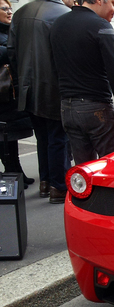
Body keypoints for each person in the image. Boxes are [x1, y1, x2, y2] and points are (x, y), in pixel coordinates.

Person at [50, 0, 114, 166]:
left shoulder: (58, 24)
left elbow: (53, 66)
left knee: (84, 169)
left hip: (68, 106)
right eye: (113, 3)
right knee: (112, 166)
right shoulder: (101, 26)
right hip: (96, 106)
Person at [8, 0, 73, 203]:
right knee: (58, 138)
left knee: (43, 138)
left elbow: (12, 53)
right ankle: (57, 186)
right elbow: (67, 56)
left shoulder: (21, 13)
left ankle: (46, 182)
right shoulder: (63, 13)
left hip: (28, 87)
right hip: (53, 86)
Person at [0, 0, 34, 187]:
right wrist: (12, 49)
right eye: (4, 9)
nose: (9, 12)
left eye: (10, 8)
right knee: (4, 137)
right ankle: (12, 174)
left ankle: (16, 172)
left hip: (10, 93)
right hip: (2, 94)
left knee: (10, 136)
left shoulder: (9, 32)